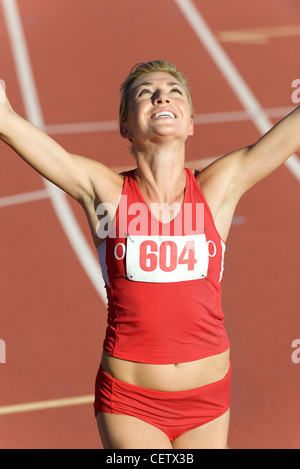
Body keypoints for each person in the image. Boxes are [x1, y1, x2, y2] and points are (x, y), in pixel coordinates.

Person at [0, 60, 299, 449]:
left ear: (190, 122)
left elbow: (285, 138)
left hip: (208, 403)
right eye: (145, 92)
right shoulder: (105, 192)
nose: (162, 95)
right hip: (130, 402)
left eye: (175, 91)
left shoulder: (216, 189)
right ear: (125, 126)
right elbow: (14, 128)